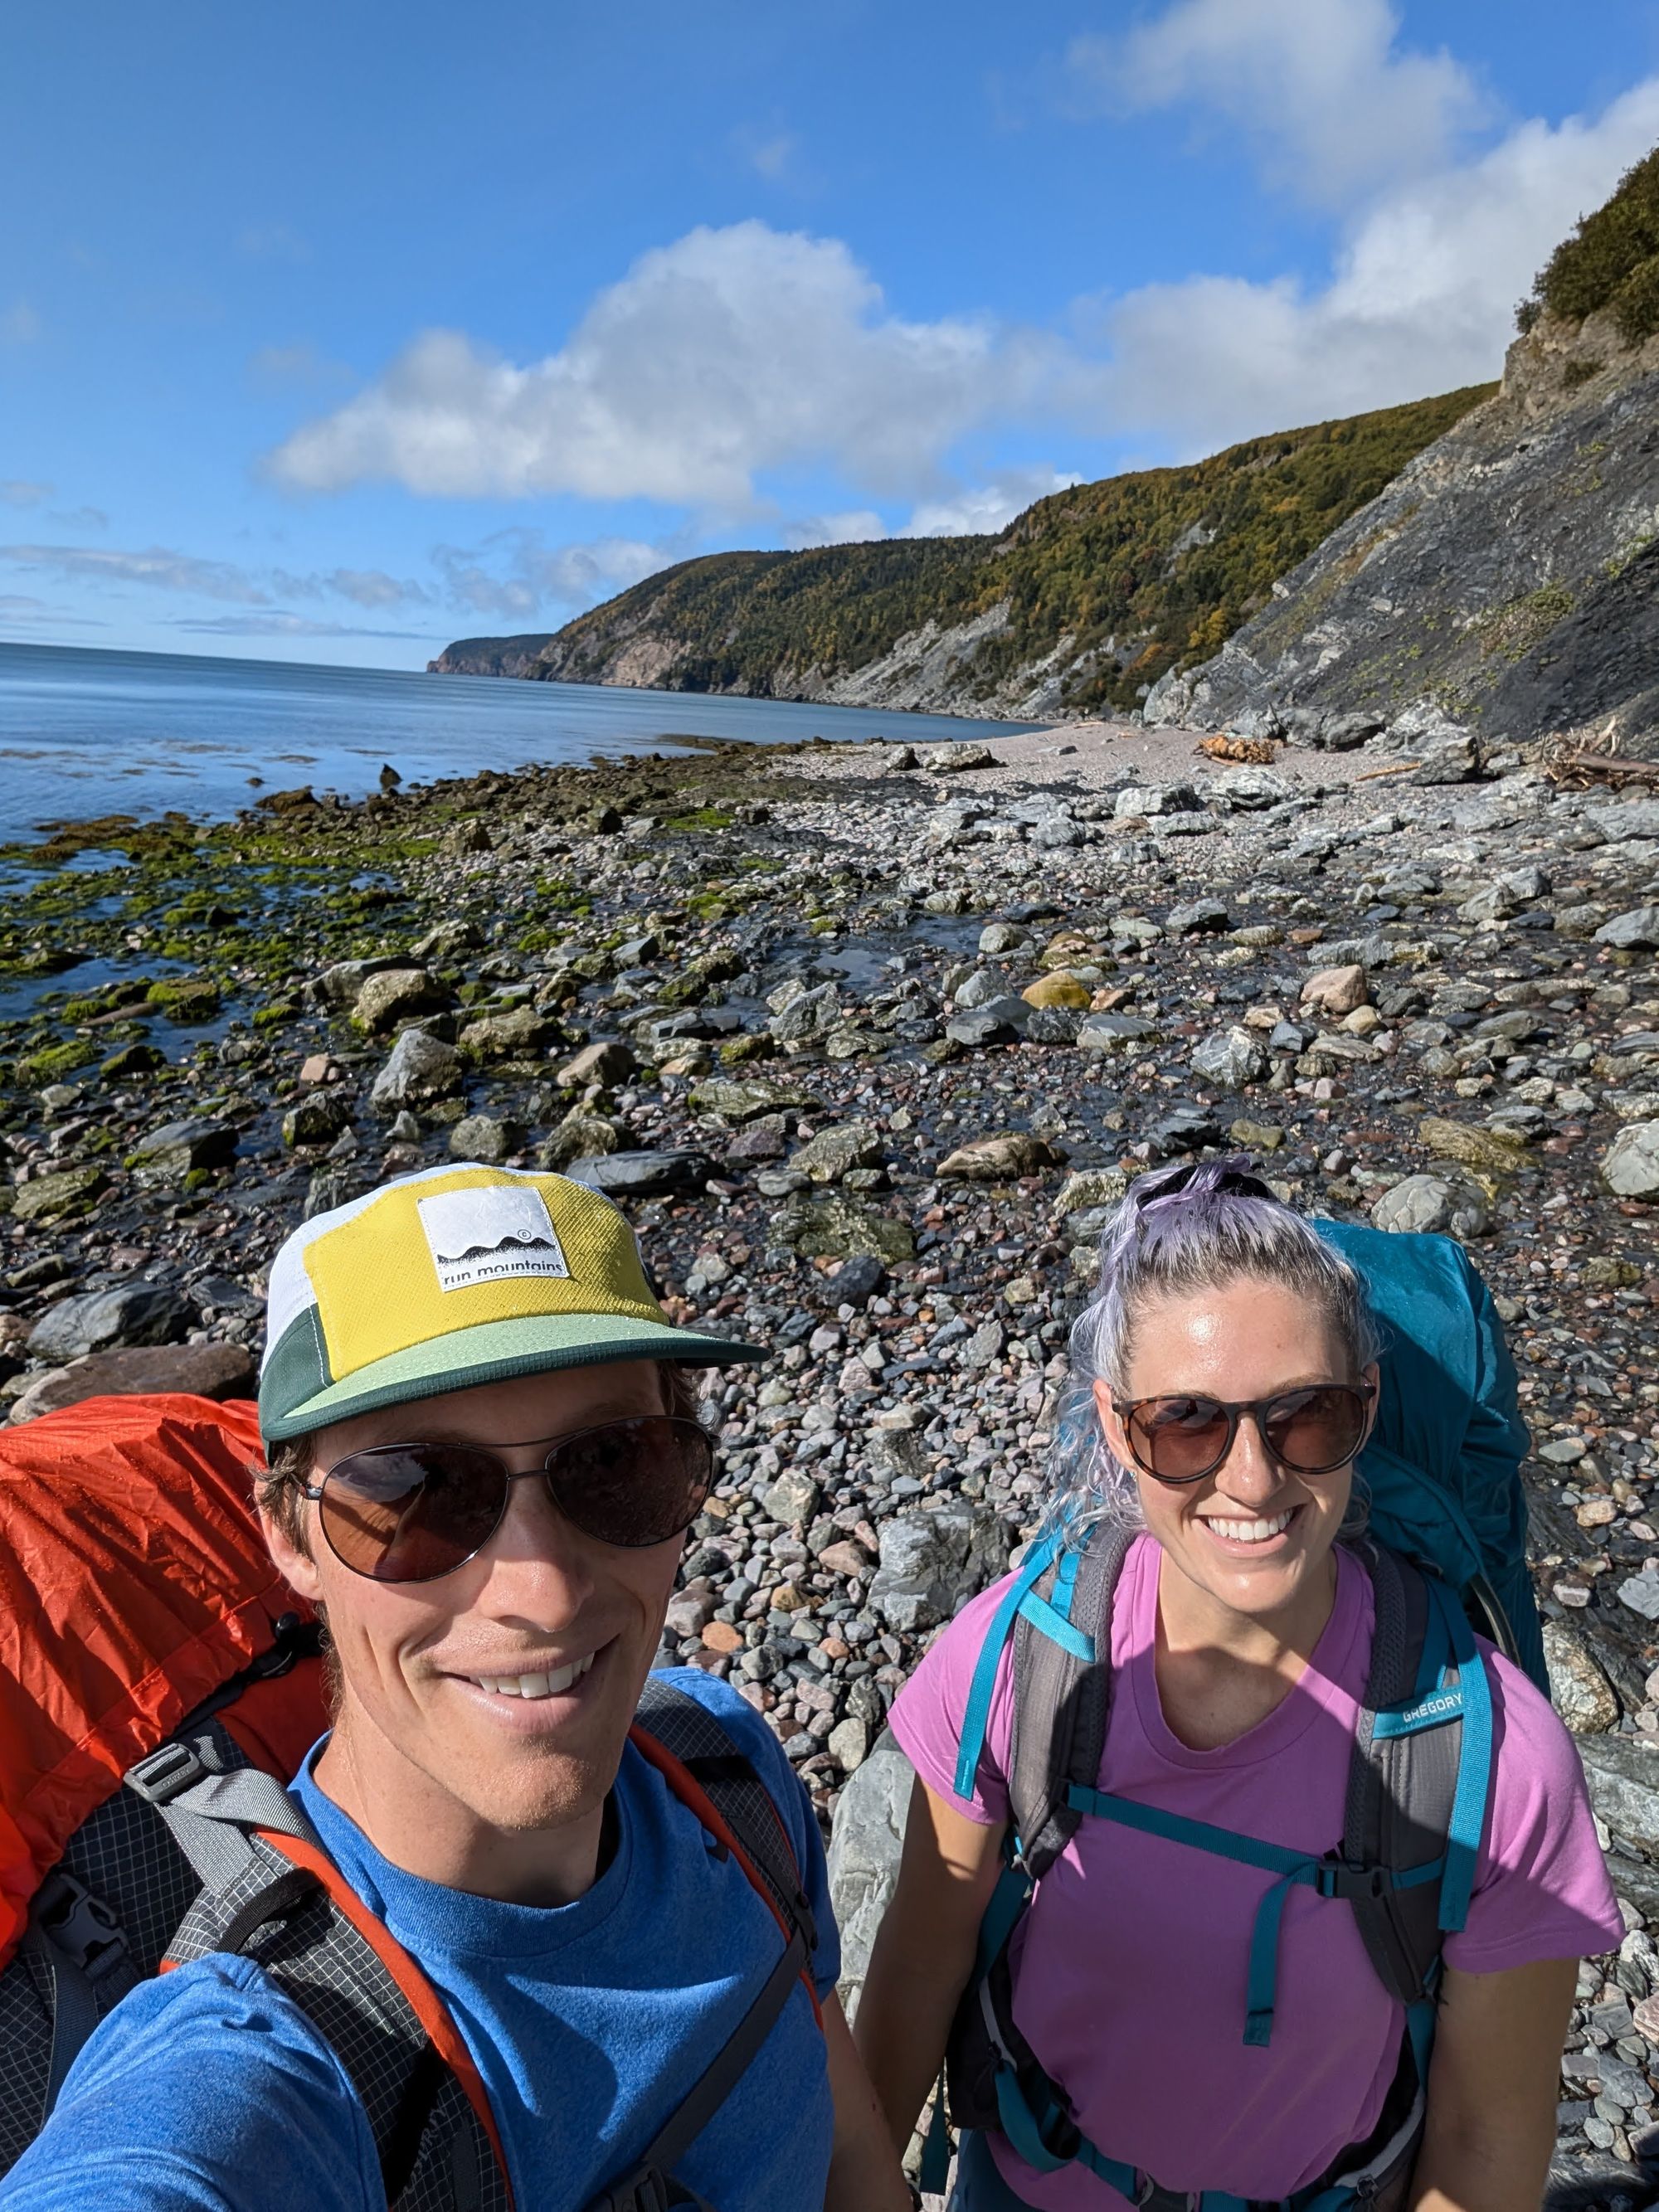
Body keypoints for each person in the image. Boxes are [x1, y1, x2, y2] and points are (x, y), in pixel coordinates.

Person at [0, 1163, 910, 2212]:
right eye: (416, 1491)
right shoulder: (268, 2055)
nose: (544, 1588)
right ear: (286, 1533)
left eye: (613, 1462)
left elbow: (843, 2150)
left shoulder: (722, 1767)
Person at [854, 1159, 1622, 2212]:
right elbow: (918, 1959)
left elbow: (1486, 2139)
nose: (1251, 1480)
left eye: (1305, 1416)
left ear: (1367, 1406)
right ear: (1116, 1426)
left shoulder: (1493, 1761)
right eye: (1187, 1424)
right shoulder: (1013, 1664)